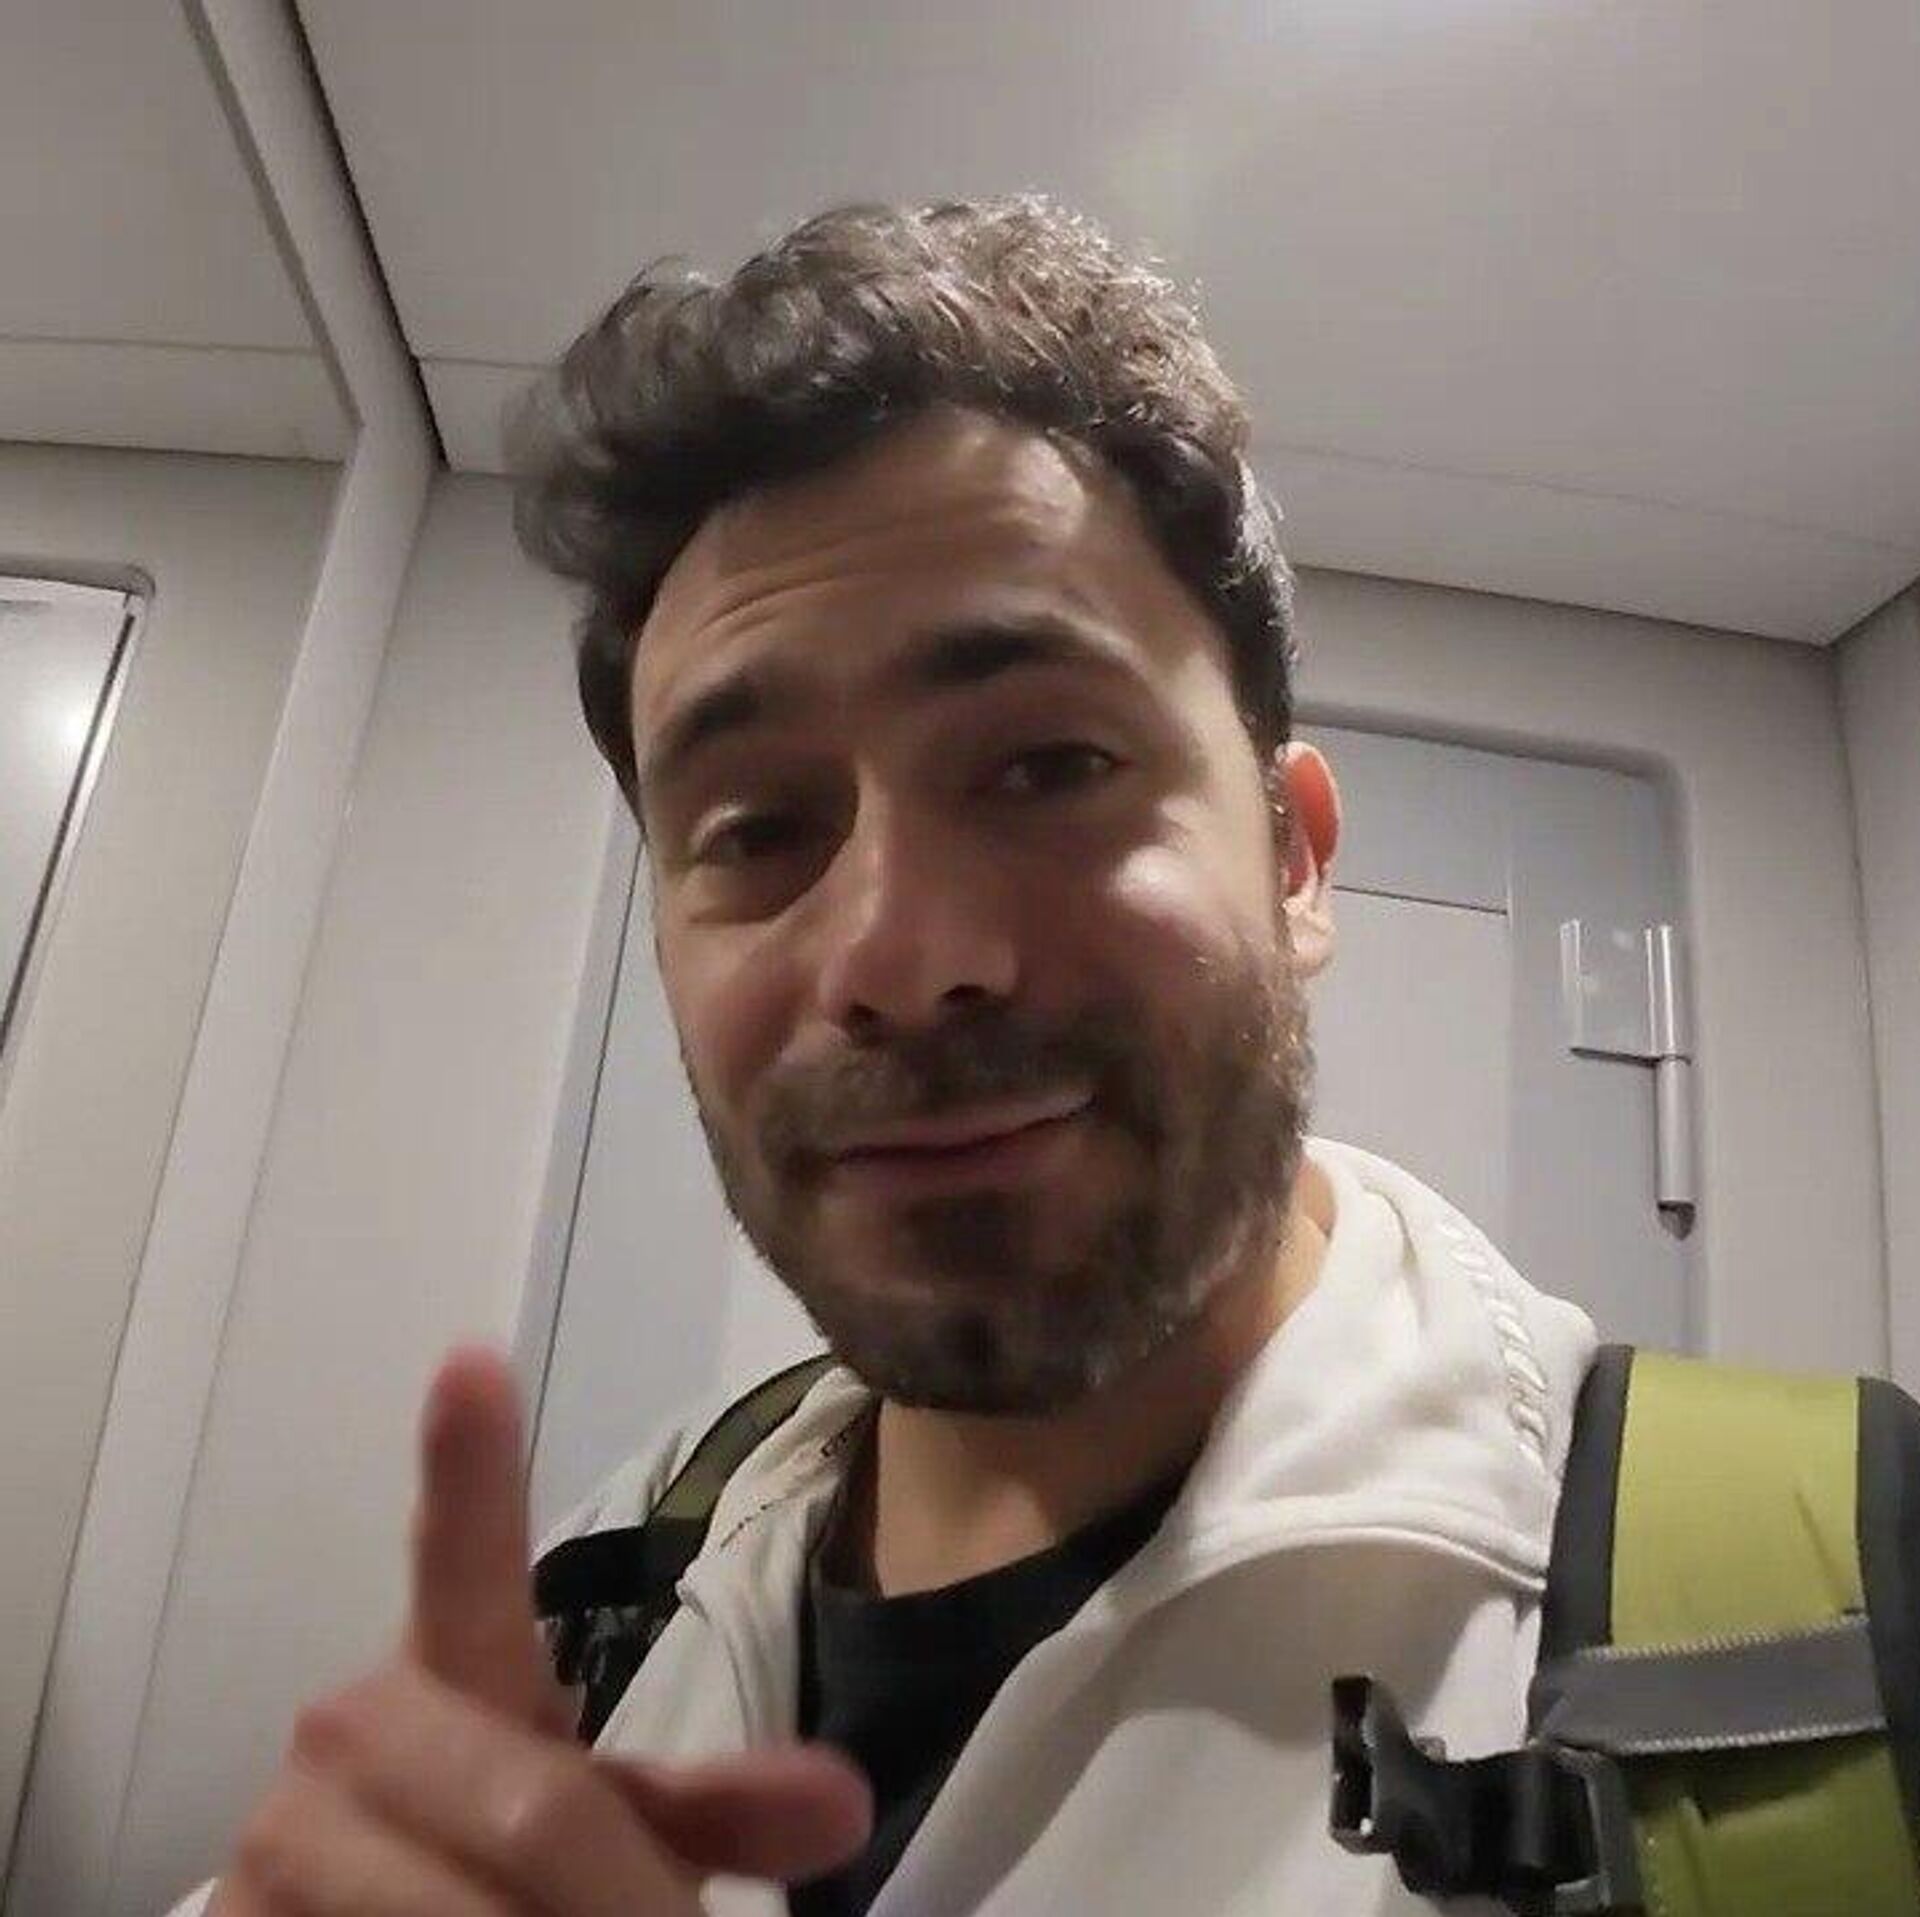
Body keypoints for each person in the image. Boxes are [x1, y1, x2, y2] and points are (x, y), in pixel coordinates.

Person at [179, 196, 1597, 1916]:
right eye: (758, 826)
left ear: (1293, 858)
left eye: (1048, 764)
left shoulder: (1803, 1626)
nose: (902, 960)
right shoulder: (620, 1578)